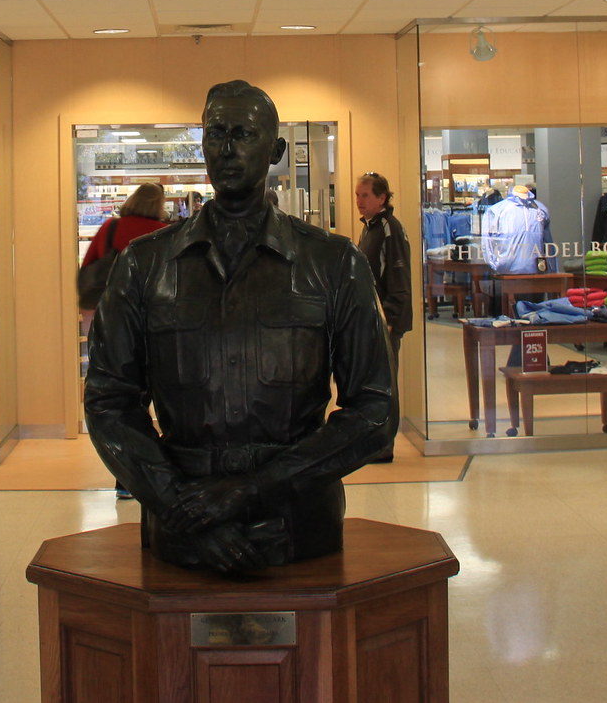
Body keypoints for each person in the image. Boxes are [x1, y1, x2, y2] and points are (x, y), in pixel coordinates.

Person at [85, 80, 396, 573]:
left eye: (245, 134)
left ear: (275, 150)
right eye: (215, 134)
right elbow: (108, 401)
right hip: (179, 529)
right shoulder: (144, 264)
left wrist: (251, 491)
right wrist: (181, 508)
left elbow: (376, 411)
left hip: (299, 526)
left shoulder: (335, 263)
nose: (227, 150)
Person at [80, 182, 169, 499]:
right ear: (159, 205)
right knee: (159, 397)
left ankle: (126, 479)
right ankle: (163, 474)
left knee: (123, 404)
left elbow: (88, 271)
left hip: (116, 328)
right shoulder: (165, 233)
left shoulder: (110, 229)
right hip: (157, 326)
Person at [354, 173, 413, 365]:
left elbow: (399, 276)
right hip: (370, 319)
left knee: (384, 381)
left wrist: (389, 319)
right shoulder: (369, 228)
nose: (359, 201)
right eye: (357, 195)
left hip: (385, 322)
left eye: (365, 195)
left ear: (382, 198)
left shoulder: (391, 229)